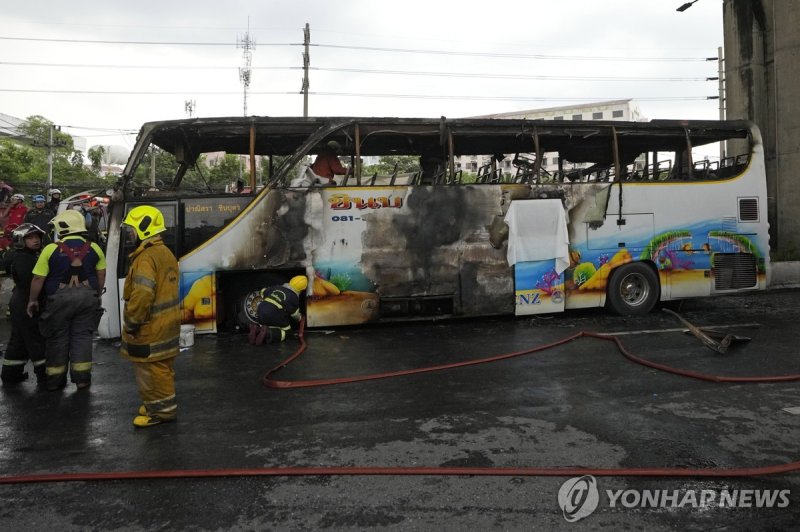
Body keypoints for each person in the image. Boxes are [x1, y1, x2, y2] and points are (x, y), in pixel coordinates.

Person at [27, 210, 106, 391]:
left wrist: (32, 300)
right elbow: (101, 274)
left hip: (58, 302)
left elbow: (38, 279)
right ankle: (82, 380)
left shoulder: (50, 249)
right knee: (82, 338)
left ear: (62, 227)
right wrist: (97, 294)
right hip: (88, 300)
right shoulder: (94, 247)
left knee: (57, 339)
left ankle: (55, 382)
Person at [120, 205, 181, 427]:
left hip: (150, 326)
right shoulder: (164, 252)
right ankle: (156, 403)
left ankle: (161, 413)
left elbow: (143, 294)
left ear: (144, 229)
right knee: (162, 367)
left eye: (132, 229)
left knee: (150, 371)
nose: (130, 234)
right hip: (167, 324)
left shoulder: (145, 257)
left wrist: (132, 321)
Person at [1, 224, 47, 386]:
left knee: (19, 340)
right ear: (20, 240)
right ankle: (45, 376)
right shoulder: (24, 259)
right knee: (36, 339)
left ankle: (10, 375)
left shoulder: (23, 256)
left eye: (37, 237)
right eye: (30, 237)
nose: (36, 240)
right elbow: (32, 283)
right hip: (27, 302)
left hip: (20, 301)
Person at [247, 275, 307, 345]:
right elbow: (294, 314)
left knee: (267, 324)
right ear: (301, 290)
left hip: (261, 310)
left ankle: (257, 329)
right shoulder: (294, 298)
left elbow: (263, 291)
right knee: (287, 331)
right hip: (274, 313)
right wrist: (300, 318)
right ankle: (268, 334)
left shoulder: (277, 287)